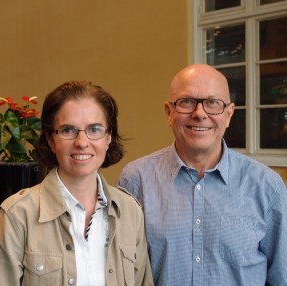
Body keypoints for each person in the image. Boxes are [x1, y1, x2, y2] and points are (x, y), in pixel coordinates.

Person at [118, 64, 287, 285]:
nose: (199, 114)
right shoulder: (135, 179)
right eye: (187, 102)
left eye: (213, 103)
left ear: (228, 114)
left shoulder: (266, 186)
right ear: (169, 113)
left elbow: (281, 277)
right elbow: (123, 274)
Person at [0, 81, 153, 285]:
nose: (81, 142)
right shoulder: (17, 216)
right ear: (51, 141)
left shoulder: (130, 212)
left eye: (94, 129)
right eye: (68, 130)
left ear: (108, 138)